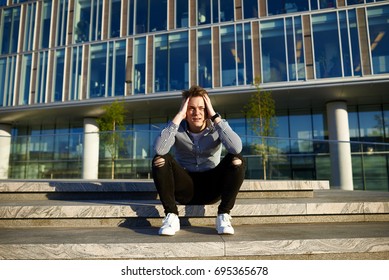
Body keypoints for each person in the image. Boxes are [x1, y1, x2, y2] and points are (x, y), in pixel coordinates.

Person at [152, 85, 245, 236]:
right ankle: (172, 216)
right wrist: (179, 116)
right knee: (160, 158)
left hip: (212, 186)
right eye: (191, 108)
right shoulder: (176, 128)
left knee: (237, 159)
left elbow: (236, 147)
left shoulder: (217, 126)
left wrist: (215, 116)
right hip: (185, 187)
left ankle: (223, 215)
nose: (197, 113)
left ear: (207, 110)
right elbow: (160, 149)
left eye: (202, 108)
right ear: (185, 111)